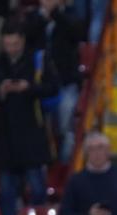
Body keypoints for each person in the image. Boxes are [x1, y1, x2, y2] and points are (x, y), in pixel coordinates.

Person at [0, 21, 60, 215]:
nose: (11, 48)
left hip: (32, 135)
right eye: (8, 44)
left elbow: (53, 87)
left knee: (38, 189)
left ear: (23, 41)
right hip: (6, 136)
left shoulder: (37, 61)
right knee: (7, 193)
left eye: (15, 44)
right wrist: (1, 91)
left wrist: (29, 88)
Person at [23, 0, 85, 161]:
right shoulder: (32, 17)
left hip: (66, 81)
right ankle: (48, 163)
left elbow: (77, 33)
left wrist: (56, 14)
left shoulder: (70, 15)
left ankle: (66, 165)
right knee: (41, 127)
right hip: (40, 84)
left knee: (66, 128)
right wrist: (44, 17)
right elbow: (26, 36)